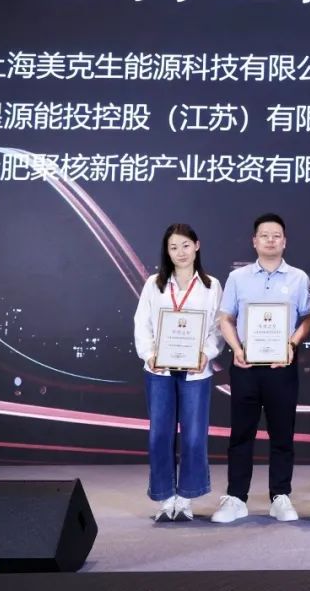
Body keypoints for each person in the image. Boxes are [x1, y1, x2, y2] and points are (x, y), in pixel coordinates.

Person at [211, 213, 310, 523]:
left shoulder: (299, 278)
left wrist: (291, 344)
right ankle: (236, 497)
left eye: (276, 235)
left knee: (282, 434)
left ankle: (280, 496)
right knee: (241, 434)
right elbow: (225, 318)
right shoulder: (237, 278)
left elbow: (308, 317)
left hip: (282, 367)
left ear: (285, 241)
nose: (270, 240)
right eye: (264, 235)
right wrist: (237, 348)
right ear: (254, 241)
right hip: (245, 366)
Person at [134, 223, 223, 521]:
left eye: (185, 245)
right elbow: (142, 324)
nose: (180, 252)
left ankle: (186, 497)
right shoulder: (154, 284)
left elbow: (217, 328)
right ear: (167, 251)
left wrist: (206, 353)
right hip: (159, 371)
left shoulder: (211, 285)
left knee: (194, 436)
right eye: (173, 247)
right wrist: (150, 355)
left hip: (196, 371)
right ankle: (165, 497)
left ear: (197, 246)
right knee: (160, 435)